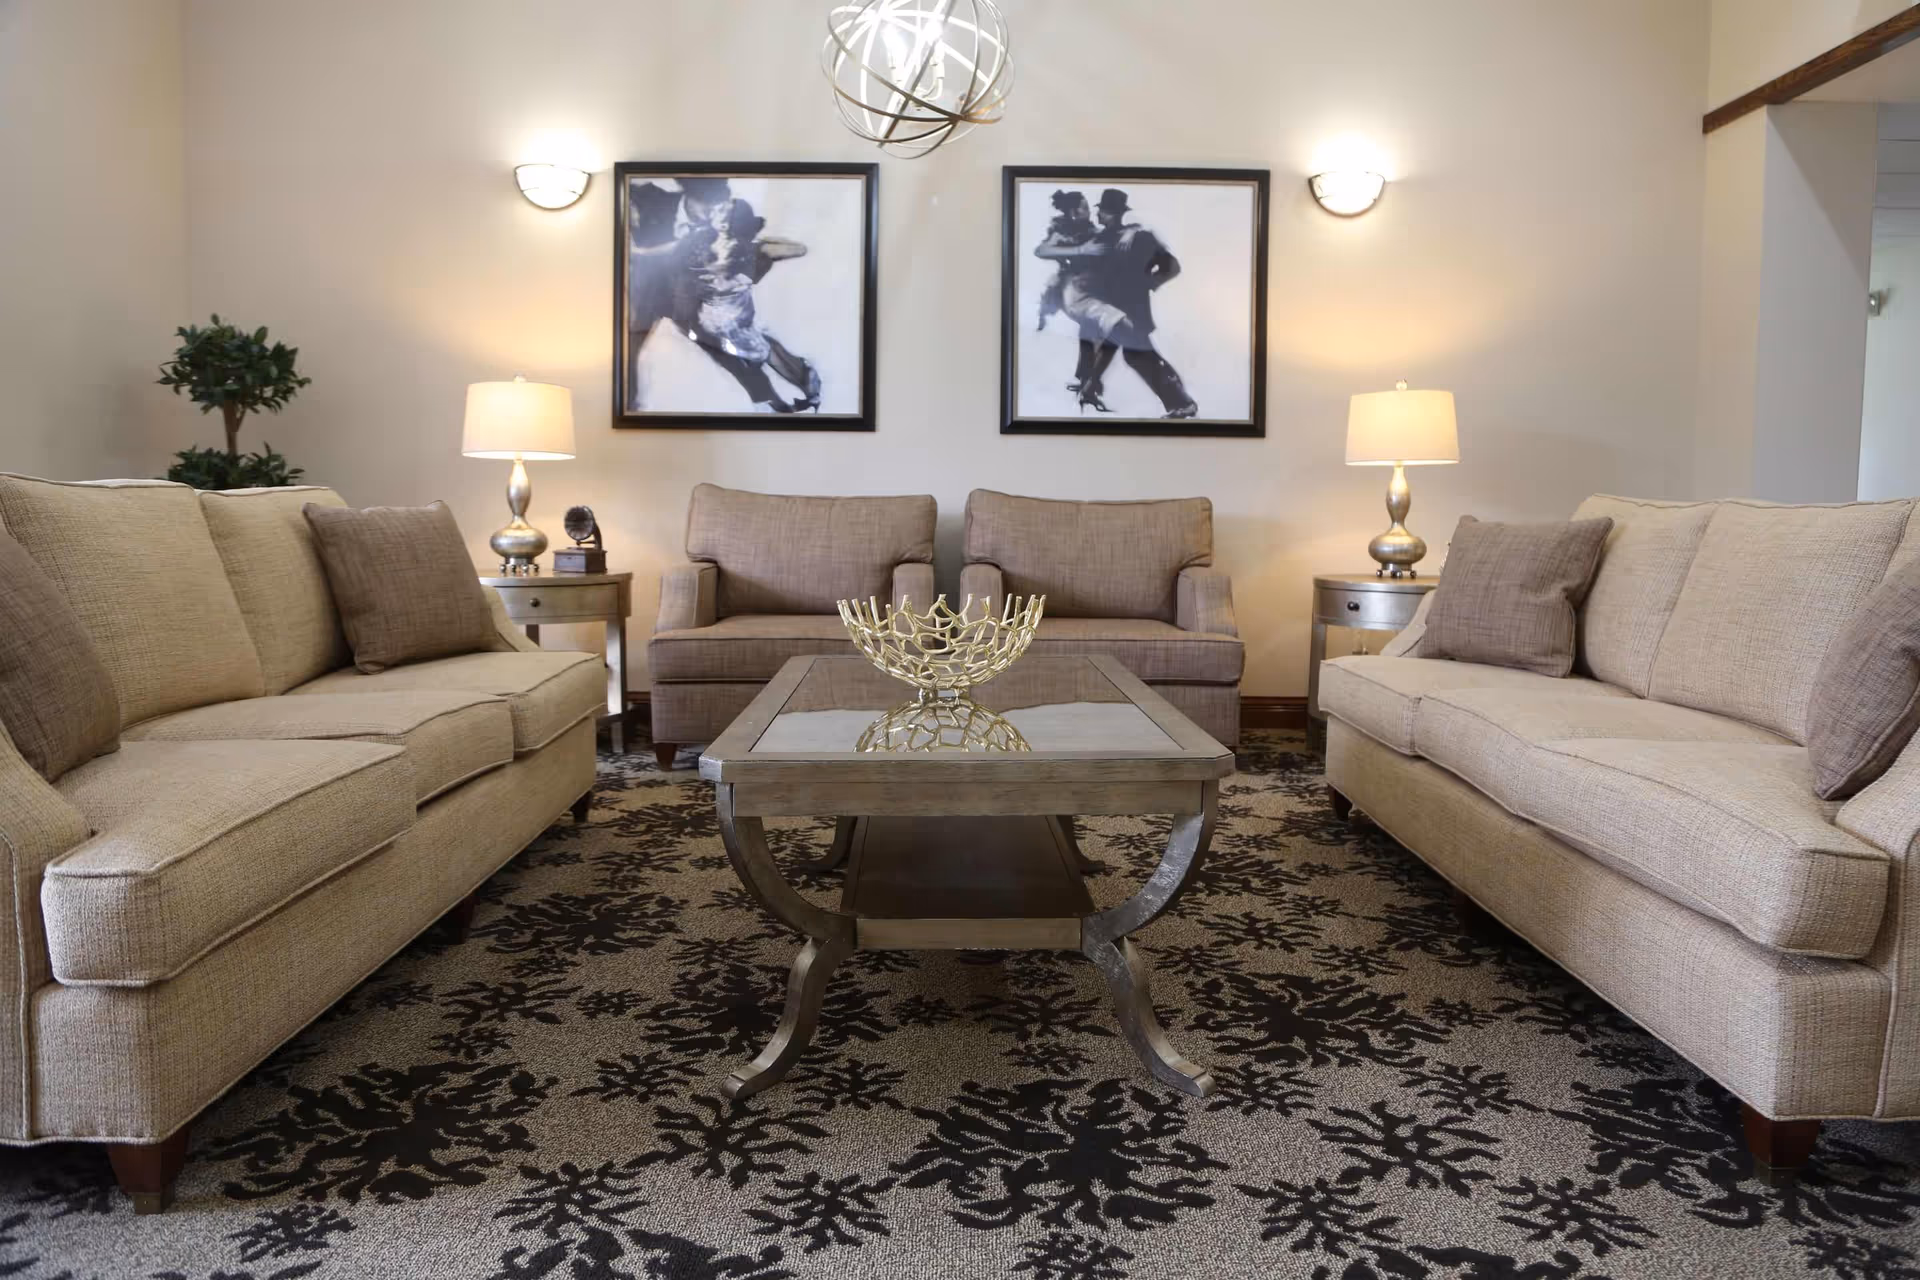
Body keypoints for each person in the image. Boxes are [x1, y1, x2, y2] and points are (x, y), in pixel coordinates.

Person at [625, 178, 822, 414]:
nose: (710, 213)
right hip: (651, 290)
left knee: (735, 354)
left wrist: (752, 245)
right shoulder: (655, 201)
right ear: (688, 197)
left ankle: (778, 400)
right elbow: (628, 189)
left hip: (697, 306)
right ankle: (628, 405)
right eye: (705, 206)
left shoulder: (724, 237)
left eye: (717, 207)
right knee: (630, 344)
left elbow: (791, 249)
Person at [1035, 187, 1197, 418]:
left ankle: (1181, 403)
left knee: (1137, 354)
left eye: (1101, 211)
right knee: (1132, 353)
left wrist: (1147, 283)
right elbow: (1172, 266)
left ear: (1110, 213)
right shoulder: (1119, 236)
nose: (1096, 215)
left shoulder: (1120, 237)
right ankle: (1179, 401)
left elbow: (1172, 266)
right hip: (1117, 308)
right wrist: (1150, 282)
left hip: (1126, 309)